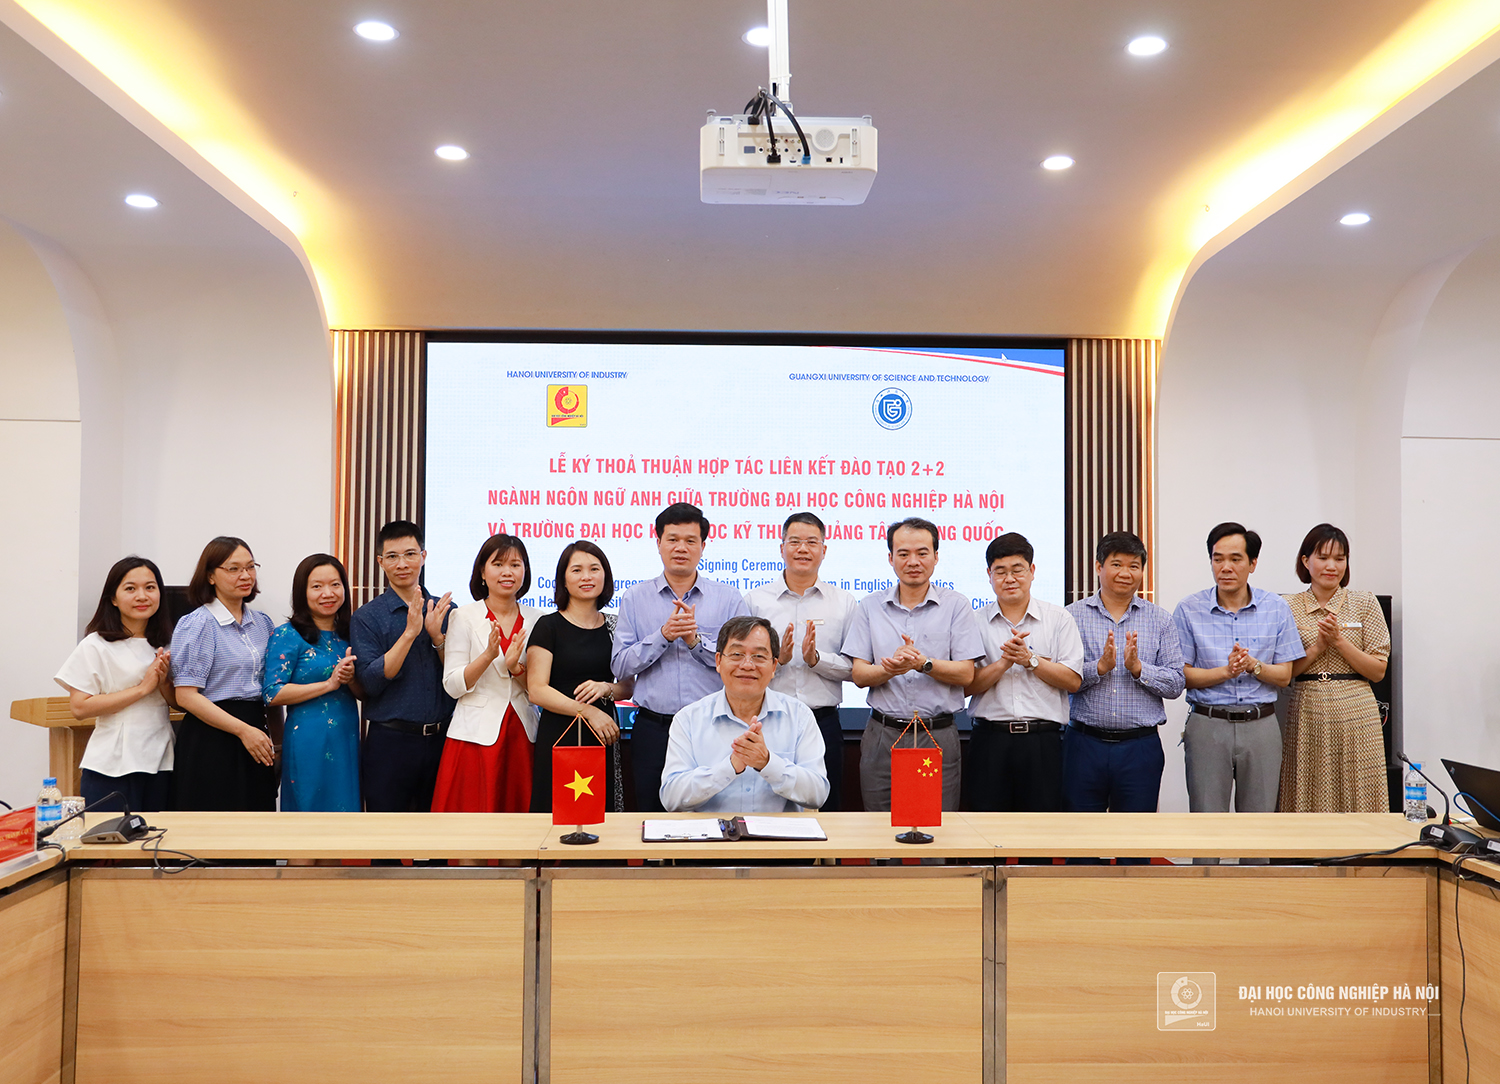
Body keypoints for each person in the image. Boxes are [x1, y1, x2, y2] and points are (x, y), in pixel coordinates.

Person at [612, 503, 749, 812]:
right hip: (652, 729)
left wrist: (695, 641)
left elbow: (743, 664)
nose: (681, 548)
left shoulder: (728, 599)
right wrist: (663, 636)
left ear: (703, 546)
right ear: (657, 542)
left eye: (690, 540)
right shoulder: (635, 598)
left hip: (713, 727)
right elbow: (620, 664)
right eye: (672, 539)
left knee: (714, 817)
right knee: (653, 817)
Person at [1173, 522, 1305, 833]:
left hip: (1261, 726)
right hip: (1208, 724)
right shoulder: (1189, 609)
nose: (1225, 567)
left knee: (1258, 829)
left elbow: (1285, 676)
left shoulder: (1276, 608)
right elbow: (1182, 677)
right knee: (1207, 827)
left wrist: (1252, 666)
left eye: (1235, 559)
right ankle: (1206, 882)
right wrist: (1226, 671)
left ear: (1253, 563)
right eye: (1218, 559)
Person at [845, 517, 983, 811]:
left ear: (936, 556)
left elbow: (966, 673)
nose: (913, 561)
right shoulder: (870, 606)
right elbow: (859, 673)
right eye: (903, 554)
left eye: (922, 553)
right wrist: (888, 670)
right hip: (883, 733)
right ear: (890, 558)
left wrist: (925, 664)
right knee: (880, 832)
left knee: (935, 833)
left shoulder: (957, 605)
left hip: (936, 734)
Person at [1064, 532, 1186, 841]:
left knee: (1136, 841)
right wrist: (1099, 668)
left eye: (1134, 565)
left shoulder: (1160, 620)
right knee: (1081, 841)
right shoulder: (1071, 617)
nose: (1125, 573)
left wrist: (1139, 669)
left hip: (1139, 748)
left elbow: (1176, 683)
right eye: (1116, 564)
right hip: (1083, 744)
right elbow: (1060, 679)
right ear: (1098, 567)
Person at [745, 512, 857, 810]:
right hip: (769, 721)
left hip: (823, 721)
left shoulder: (844, 602)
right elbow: (742, 667)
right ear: (781, 548)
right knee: (767, 805)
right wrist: (776, 661)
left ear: (824, 549)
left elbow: (855, 668)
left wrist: (816, 659)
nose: (803, 549)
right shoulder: (756, 600)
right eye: (794, 542)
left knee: (825, 806)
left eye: (811, 542)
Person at [660, 615, 829, 812]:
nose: (747, 665)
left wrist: (768, 763)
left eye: (759, 656)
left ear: (774, 666)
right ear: (718, 661)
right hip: (711, 840)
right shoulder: (688, 719)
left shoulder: (799, 716)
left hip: (778, 840)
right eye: (737, 654)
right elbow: (671, 798)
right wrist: (729, 768)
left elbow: (818, 795)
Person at [964, 533, 1083, 812]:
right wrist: (1004, 663)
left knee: (1037, 836)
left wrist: (1030, 660)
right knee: (987, 834)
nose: (1009, 578)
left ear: (1032, 571)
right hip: (989, 741)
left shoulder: (1058, 619)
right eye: (1000, 571)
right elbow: (965, 686)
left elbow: (1073, 680)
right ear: (989, 575)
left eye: (1017, 570)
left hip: (1042, 742)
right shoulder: (974, 621)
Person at [1280, 524, 1391, 813]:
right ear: (1306, 561)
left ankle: (1364, 856)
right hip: (1307, 706)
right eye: (1323, 557)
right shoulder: (1287, 606)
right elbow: (1285, 671)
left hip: (1358, 709)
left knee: (1360, 789)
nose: (1332, 566)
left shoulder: (1365, 602)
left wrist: (1339, 641)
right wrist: (1318, 646)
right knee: (1308, 785)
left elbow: (1378, 670)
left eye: (1340, 559)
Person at [54, 556, 176, 812]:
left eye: (150, 587)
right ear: (113, 598)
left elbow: (174, 702)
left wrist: (163, 682)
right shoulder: (96, 644)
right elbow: (79, 708)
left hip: (161, 758)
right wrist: (142, 689)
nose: (142, 596)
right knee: (110, 847)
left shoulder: (167, 642)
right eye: (130, 588)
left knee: (157, 845)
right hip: (112, 764)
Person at [350, 520, 455, 812]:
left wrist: (437, 638)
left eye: (410, 554)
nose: (402, 563)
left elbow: (459, 677)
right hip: (390, 742)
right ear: (381, 562)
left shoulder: (446, 610)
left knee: (440, 838)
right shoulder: (367, 617)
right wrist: (410, 633)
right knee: (387, 838)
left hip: (443, 739)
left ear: (423, 556)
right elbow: (371, 682)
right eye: (393, 556)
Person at [171, 536, 279, 810]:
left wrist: (277, 744)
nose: (246, 575)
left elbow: (271, 689)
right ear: (210, 576)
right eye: (234, 569)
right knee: (214, 832)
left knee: (256, 827)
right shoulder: (197, 624)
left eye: (251, 567)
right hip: (212, 736)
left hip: (257, 729)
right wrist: (243, 731)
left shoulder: (263, 623)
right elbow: (185, 696)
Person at [433, 533, 539, 812]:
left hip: (522, 733)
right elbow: (452, 686)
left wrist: (516, 669)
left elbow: (538, 688)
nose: (507, 572)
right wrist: (488, 656)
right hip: (474, 738)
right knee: (472, 826)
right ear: (482, 571)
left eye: (516, 565)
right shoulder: (464, 616)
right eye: (498, 564)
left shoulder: (538, 619)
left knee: (519, 827)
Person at [527, 541, 631, 814]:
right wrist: (586, 711)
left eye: (594, 569)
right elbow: (536, 690)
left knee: (601, 815)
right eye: (577, 570)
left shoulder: (616, 625)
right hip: (560, 732)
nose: (587, 576)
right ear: (563, 579)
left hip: (604, 734)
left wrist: (606, 688)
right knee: (557, 816)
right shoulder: (548, 625)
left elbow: (628, 686)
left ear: (605, 576)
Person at [262, 554, 361, 812]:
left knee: (338, 830)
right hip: (308, 739)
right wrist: (328, 684)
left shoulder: (350, 633)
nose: (327, 593)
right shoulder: (288, 634)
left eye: (335, 584)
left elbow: (362, 692)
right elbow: (272, 693)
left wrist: (348, 681)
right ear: (302, 592)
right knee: (305, 827)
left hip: (345, 737)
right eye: (317, 586)